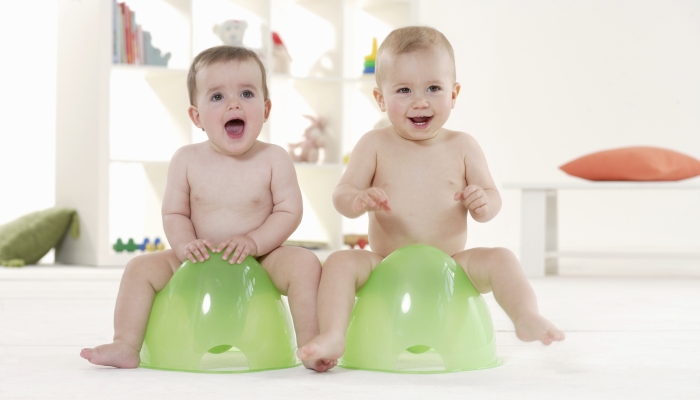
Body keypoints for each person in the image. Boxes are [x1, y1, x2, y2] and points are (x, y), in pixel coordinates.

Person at [297, 26, 565, 370]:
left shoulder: (463, 146)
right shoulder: (374, 144)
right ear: (381, 99)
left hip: (453, 265)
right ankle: (334, 334)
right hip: (384, 265)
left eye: (433, 88)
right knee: (339, 263)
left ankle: (526, 316)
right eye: (404, 90)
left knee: (501, 258)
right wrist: (359, 199)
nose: (419, 101)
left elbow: (492, 196)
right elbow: (341, 196)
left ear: (454, 94)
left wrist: (483, 203)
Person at [81, 46, 328, 371]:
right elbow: (175, 213)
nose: (234, 103)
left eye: (247, 93)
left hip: (262, 257)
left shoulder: (274, 159)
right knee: (139, 269)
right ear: (196, 116)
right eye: (217, 97)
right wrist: (184, 246)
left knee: (306, 263)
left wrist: (254, 242)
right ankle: (126, 344)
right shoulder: (186, 160)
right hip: (195, 256)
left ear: (266, 108)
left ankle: (312, 343)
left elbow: (288, 211)